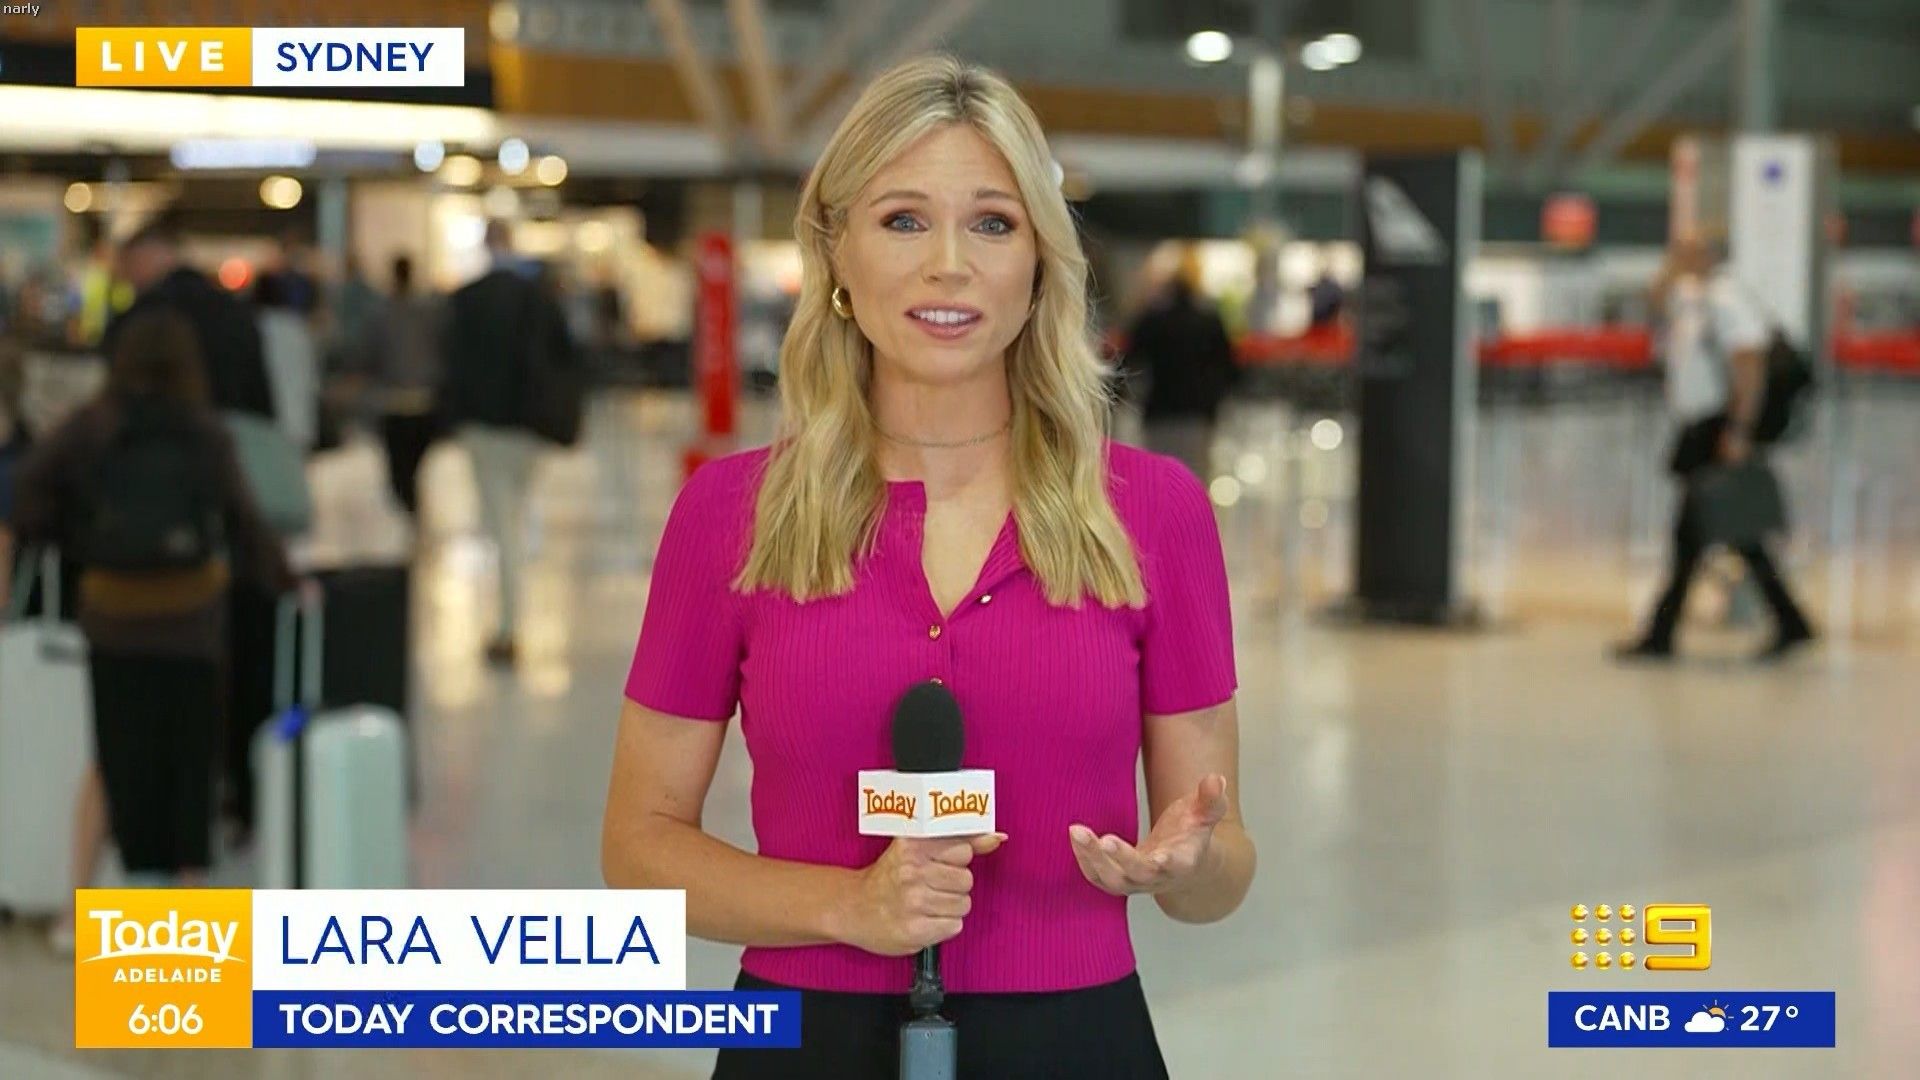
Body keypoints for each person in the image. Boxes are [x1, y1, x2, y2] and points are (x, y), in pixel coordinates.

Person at [602, 56, 1255, 1080]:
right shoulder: (732, 515)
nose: (949, 263)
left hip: (1075, 1041)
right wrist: (847, 906)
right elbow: (639, 849)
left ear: (1040, 262)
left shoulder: (1152, 512)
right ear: (837, 252)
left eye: (992, 223)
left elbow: (1221, 876)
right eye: (903, 219)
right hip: (806, 1041)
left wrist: (1191, 863)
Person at [12, 308, 295, 908]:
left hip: (113, 615)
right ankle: (187, 904)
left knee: (115, 756)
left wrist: (83, 542)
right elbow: (244, 520)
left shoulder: (93, 425)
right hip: (191, 618)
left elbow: (29, 495)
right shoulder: (204, 432)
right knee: (191, 765)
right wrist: (284, 578)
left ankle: (91, 905)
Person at [1615, 235, 1814, 662]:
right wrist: (1670, 272)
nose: (1678, 257)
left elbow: (1749, 364)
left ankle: (1662, 633)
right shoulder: (1693, 298)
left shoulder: (1726, 299)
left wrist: (1739, 429)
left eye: (1687, 250)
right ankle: (1790, 621)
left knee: (1702, 533)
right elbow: (1655, 303)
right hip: (1702, 427)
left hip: (1718, 427)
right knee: (1729, 534)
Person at [440, 222, 576, 666]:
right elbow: (565, 358)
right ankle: (508, 618)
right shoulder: (537, 299)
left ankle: (507, 625)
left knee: (499, 523)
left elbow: (452, 363)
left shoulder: (467, 299)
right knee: (513, 516)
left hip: (483, 428)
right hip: (527, 427)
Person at [103, 216, 276, 420]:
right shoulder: (232, 308)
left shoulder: (145, 314)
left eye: (128, 265)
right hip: (239, 427)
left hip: (171, 428)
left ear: (143, 258)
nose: (126, 277)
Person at [1122, 252, 1239, 480]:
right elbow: (1229, 368)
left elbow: (1128, 362)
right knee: (1195, 478)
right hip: (1197, 413)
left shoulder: (1152, 321)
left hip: (1160, 412)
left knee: (1157, 478)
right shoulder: (1209, 321)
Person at [360, 255, 444, 518]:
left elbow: (369, 357)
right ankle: (416, 514)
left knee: (400, 471)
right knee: (419, 467)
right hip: (424, 401)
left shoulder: (381, 315)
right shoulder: (429, 313)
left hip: (394, 403)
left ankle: (410, 514)